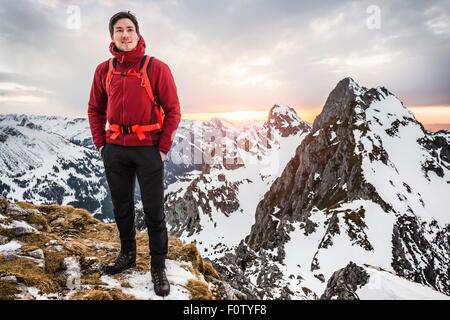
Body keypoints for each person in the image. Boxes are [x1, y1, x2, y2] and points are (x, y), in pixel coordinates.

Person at [87, 11, 181, 297]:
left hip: (149, 150)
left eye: (129, 29)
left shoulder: (156, 68)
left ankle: (158, 266)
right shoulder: (104, 70)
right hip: (115, 149)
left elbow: (173, 111)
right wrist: (101, 144)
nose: (125, 35)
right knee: (122, 206)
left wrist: (162, 149)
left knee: (154, 210)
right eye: (119, 30)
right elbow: (95, 109)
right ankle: (127, 254)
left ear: (138, 34)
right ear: (112, 36)